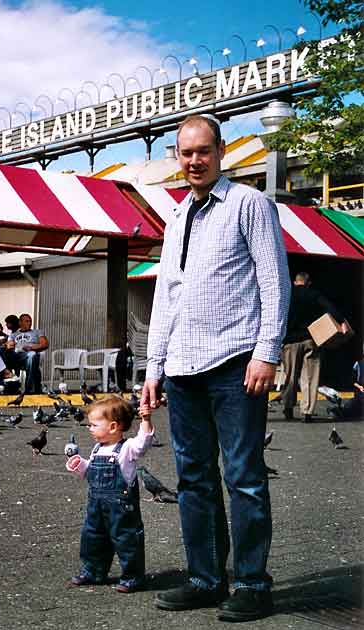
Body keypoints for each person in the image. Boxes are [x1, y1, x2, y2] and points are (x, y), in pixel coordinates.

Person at [141, 114, 291, 622]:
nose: (194, 161)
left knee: (245, 476)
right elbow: (167, 297)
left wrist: (267, 350)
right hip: (182, 367)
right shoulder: (178, 217)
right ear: (177, 157)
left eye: (203, 151)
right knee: (193, 479)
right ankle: (205, 579)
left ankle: (252, 583)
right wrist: (153, 367)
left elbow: (274, 282)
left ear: (221, 152)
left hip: (235, 363)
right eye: (186, 153)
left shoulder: (250, 204)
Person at [66, 394, 154, 592]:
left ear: (113, 426)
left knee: (127, 539)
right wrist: (81, 466)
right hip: (96, 505)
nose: (90, 428)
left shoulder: (127, 448)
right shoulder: (97, 449)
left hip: (121, 508)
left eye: (94, 425)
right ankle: (93, 570)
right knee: (92, 536)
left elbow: (143, 442)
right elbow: (91, 473)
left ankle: (133, 576)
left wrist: (146, 420)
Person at [281, 272, 348, 422]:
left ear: (294, 282)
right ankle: (307, 412)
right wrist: (341, 320)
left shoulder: (286, 294)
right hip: (310, 339)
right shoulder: (314, 294)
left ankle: (288, 408)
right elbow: (330, 307)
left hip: (290, 341)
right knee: (310, 377)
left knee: (290, 376)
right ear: (308, 282)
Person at [7, 313, 48, 394]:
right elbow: (9, 346)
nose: (29, 323)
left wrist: (31, 347)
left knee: (32, 355)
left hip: (31, 355)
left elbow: (45, 344)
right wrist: (10, 345)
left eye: (30, 321)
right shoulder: (14, 335)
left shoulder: (37, 332)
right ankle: (33, 387)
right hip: (17, 356)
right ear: (20, 323)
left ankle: (29, 388)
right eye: (26, 321)